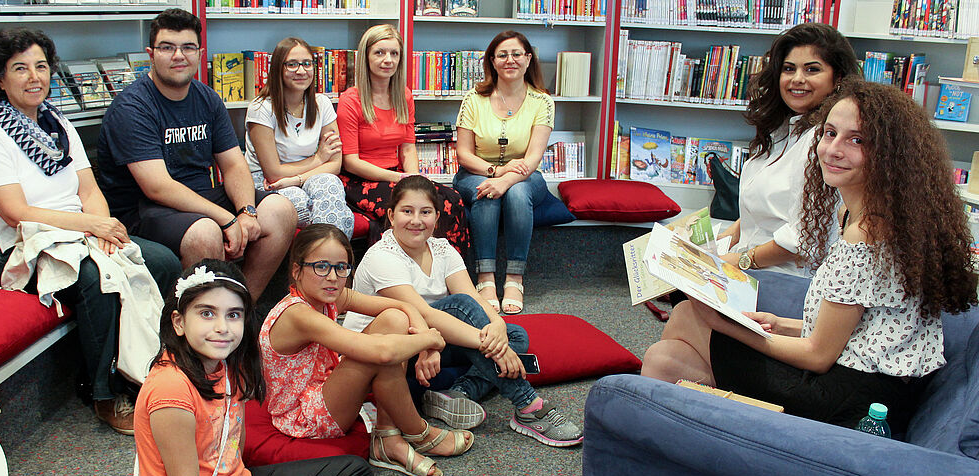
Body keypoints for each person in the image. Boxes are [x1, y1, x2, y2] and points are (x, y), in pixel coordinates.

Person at [640, 79, 978, 433]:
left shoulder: (867, 234)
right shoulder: (878, 217)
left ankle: (686, 434)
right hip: (861, 378)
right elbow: (862, 330)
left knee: (689, 315)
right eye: (829, 133)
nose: (833, 149)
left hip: (849, 399)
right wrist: (779, 323)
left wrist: (722, 322)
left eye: (857, 140)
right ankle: (693, 432)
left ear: (891, 155)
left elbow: (818, 355)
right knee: (664, 361)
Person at [119, 259, 449, 476]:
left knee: (354, 471)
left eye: (233, 314)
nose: (222, 327)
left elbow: (231, 441)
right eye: (207, 313)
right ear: (178, 321)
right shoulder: (171, 390)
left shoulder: (225, 363)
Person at [0, 27, 181, 435]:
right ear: (0, 78)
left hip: (77, 232)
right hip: (20, 244)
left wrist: (102, 231)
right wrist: (90, 226)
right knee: (96, 279)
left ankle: (143, 370)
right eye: (20, 69)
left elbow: (89, 190)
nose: (34, 77)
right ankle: (104, 395)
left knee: (162, 260)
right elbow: (14, 212)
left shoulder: (58, 123)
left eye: (41, 66)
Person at [343, 176, 583, 446]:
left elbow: (473, 295)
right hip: (386, 350)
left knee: (515, 335)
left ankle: (457, 393)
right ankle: (528, 405)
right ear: (391, 214)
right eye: (407, 211)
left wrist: (498, 325)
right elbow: (424, 312)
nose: (416, 220)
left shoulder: (442, 249)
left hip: (428, 346)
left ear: (437, 216)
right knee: (466, 312)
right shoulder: (382, 256)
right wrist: (497, 349)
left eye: (425, 212)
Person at [97, 8, 296, 300]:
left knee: (281, 211)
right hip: (146, 209)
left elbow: (234, 165)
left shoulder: (206, 98)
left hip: (200, 197)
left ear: (200, 53)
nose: (179, 55)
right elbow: (157, 187)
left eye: (188, 47)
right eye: (167, 47)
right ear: (151, 54)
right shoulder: (132, 107)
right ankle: (202, 322)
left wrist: (246, 211)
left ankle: (242, 309)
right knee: (205, 232)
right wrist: (227, 219)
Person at [259, 224, 473, 476]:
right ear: (297, 270)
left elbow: (402, 307)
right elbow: (382, 353)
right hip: (303, 417)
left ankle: (387, 436)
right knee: (382, 352)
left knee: (393, 320)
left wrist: (425, 341)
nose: (332, 277)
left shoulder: (328, 296)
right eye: (321, 267)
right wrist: (430, 339)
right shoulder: (298, 314)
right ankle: (419, 432)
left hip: (324, 385)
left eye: (341, 268)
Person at [717, 22, 861, 276]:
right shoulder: (784, 129)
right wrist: (715, 248)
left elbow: (802, 239)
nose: (797, 79)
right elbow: (760, 209)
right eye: (788, 69)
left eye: (812, 70)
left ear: (837, 79)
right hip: (754, 261)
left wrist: (737, 261)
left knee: (688, 308)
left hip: (787, 276)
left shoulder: (827, 140)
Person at [336, 24, 470, 253]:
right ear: (365, 57)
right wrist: (399, 178)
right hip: (358, 181)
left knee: (451, 199)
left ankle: (448, 274)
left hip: (397, 174)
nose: (388, 59)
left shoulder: (404, 96)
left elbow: (408, 149)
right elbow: (350, 161)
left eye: (394, 53)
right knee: (406, 208)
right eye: (379, 52)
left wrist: (415, 179)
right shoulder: (351, 100)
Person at [452, 30, 554, 315]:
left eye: (517, 54)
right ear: (492, 61)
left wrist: (507, 179)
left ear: (528, 59)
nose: (510, 60)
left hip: (525, 175)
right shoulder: (474, 98)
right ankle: (485, 277)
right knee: (487, 193)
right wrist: (495, 173)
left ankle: (514, 278)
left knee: (518, 192)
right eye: (502, 55)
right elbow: (464, 154)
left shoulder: (543, 101)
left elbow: (533, 157)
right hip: (476, 172)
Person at [244, 36, 354, 236]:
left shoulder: (322, 103)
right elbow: (274, 173)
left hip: (303, 177)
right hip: (267, 183)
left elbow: (336, 164)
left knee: (330, 186)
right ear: (278, 68)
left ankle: (326, 262)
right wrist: (319, 158)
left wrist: (296, 178)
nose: (301, 71)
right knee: (308, 206)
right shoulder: (261, 108)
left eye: (307, 64)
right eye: (292, 64)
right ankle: (320, 261)